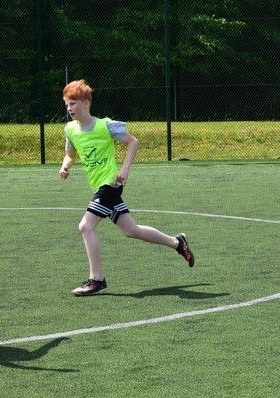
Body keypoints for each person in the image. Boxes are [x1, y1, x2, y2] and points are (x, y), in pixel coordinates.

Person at [58, 80, 195, 296]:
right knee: (131, 230)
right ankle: (177, 243)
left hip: (110, 185)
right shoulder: (70, 130)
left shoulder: (105, 126)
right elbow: (70, 153)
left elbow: (133, 142)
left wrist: (125, 169)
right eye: (67, 104)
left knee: (85, 227)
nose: (69, 108)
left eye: (73, 103)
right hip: (98, 187)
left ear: (86, 103)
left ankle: (97, 280)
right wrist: (65, 166)